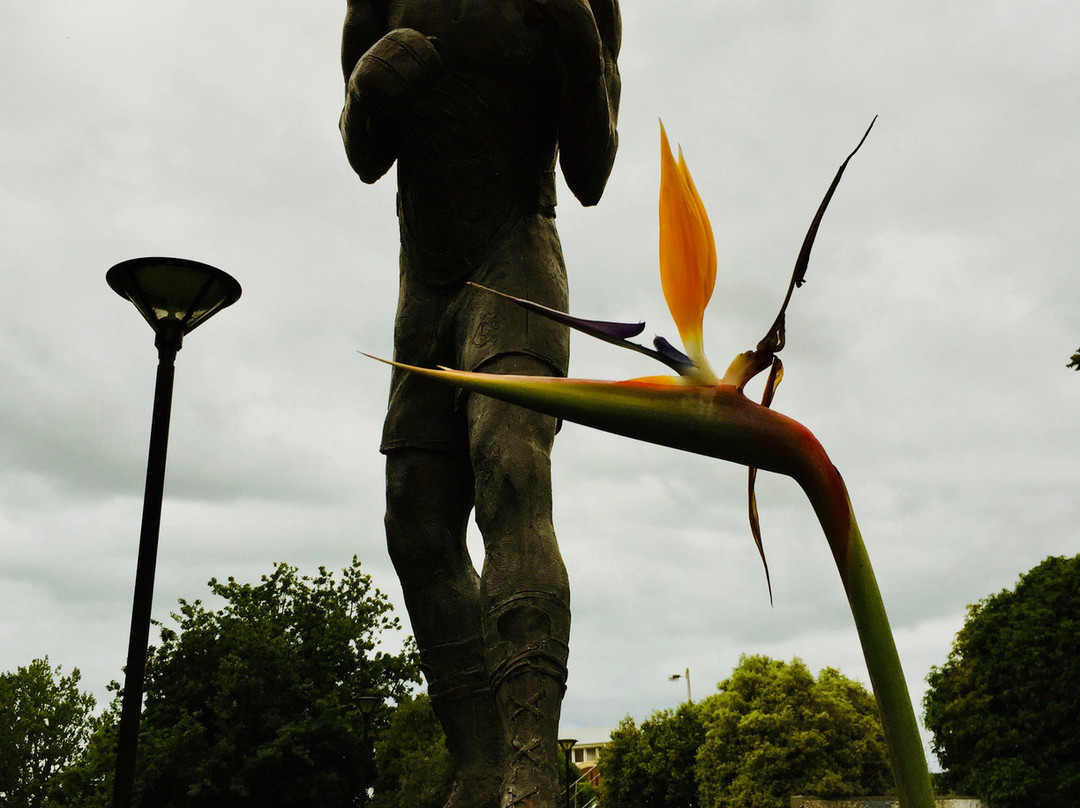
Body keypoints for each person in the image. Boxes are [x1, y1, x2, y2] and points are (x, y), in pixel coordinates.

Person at [339, 2, 620, 805]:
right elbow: (364, 155)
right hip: (424, 282)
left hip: (518, 258)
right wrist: (368, 85)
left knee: (510, 468)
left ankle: (533, 772)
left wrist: (574, 35)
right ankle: (482, 763)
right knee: (415, 523)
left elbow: (591, 173)